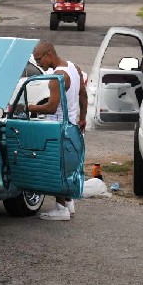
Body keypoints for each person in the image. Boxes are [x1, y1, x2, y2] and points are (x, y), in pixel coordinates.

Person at [28, 41, 88, 221]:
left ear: (49, 54)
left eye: (39, 60)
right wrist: (82, 117)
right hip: (72, 126)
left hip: (58, 128)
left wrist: (29, 107)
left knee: (55, 168)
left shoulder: (57, 77)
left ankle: (61, 208)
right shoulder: (73, 67)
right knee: (68, 167)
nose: (38, 64)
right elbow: (83, 94)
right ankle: (69, 204)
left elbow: (51, 108)